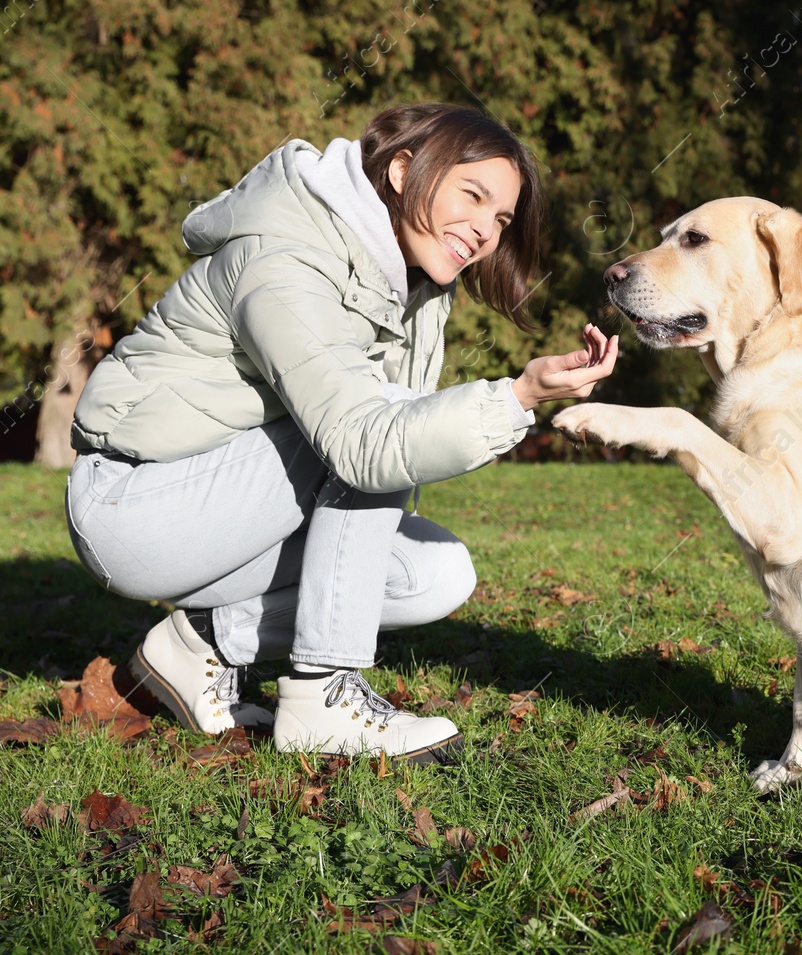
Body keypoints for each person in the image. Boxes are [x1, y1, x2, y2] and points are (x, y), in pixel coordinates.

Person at [63, 103, 619, 763]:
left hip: (223, 507)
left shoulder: (407, 284)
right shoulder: (286, 253)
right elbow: (366, 444)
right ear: (404, 170)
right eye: (473, 195)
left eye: (500, 219)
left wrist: (523, 398)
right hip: (135, 505)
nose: (484, 232)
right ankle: (322, 695)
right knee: (377, 422)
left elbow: (383, 455)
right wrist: (518, 396)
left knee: (435, 573)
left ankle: (201, 642)